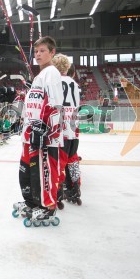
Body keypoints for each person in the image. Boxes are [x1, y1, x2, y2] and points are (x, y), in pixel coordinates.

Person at [0, 36, 63, 226]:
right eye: (36, 51)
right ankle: (32, 201)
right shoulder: (39, 77)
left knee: (42, 173)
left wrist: (44, 128)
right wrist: (11, 96)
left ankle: (46, 206)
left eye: (43, 51)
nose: (38, 54)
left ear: (52, 53)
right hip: (29, 134)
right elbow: (32, 104)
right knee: (27, 172)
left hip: (43, 135)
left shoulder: (51, 73)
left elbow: (56, 104)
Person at [54, 57, 82, 206]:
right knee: (73, 160)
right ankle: (75, 187)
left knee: (59, 162)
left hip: (61, 129)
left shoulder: (56, 82)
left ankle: (57, 191)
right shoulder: (75, 84)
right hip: (73, 128)